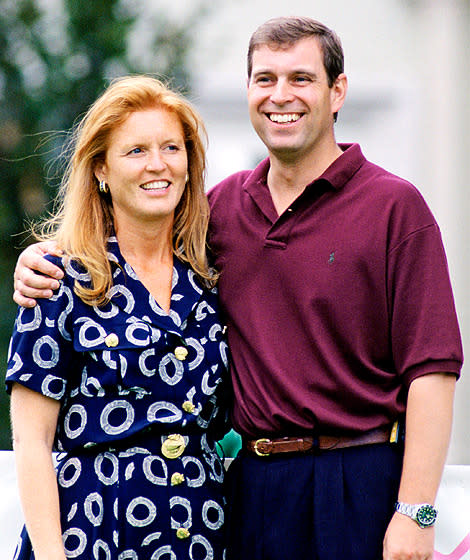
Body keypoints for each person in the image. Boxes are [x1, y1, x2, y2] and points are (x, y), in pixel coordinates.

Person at [12, 16, 463, 560]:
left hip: (357, 481)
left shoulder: (395, 208)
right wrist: (38, 258)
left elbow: (432, 370)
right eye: (265, 79)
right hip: (245, 492)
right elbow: (129, 241)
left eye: (301, 78)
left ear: (337, 91)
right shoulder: (221, 212)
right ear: (248, 90)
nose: (281, 96)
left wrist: (416, 512)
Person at [6, 75, 229, 560]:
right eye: (136, 151)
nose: (158, 165)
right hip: (92, 533)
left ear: (189, 164)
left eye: (172, 147)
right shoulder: (57, 280)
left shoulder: (211, 279)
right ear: (102, 169)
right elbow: (31, 439)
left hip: (201, 530)